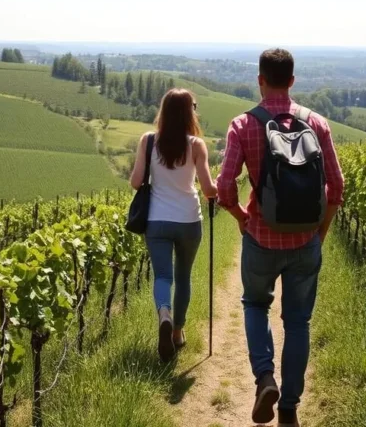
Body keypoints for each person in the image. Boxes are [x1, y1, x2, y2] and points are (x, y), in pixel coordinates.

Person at [216, 48, 344, 427]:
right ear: (292, 80)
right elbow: (336, 187)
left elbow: (224, 187)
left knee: (255, 305)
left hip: (260, 238)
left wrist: (241, 217)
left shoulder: (243, 125)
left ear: (260, 79)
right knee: (298, 322)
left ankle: (264, 378)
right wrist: (320, 233)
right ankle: (289, 405)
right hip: (306, 242)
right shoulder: (317, 124)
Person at [130, 88, 218, 363]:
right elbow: (208, 189)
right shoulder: (196, 145)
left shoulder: (148, 141)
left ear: (163, 112)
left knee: (162, 277)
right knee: (183, 278)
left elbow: (135, 182)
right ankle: (178, 333)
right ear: (190, 112)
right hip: (189, 221)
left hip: (156, 220)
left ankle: (164, 314)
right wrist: (220, 180)